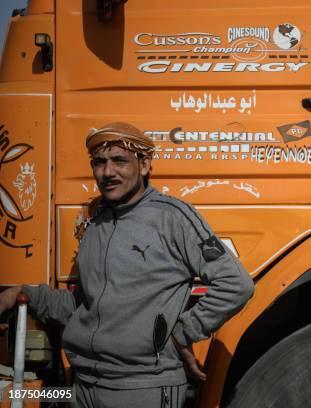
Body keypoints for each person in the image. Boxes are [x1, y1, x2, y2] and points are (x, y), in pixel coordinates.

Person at [0, 122, 254, 407]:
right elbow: (82, 305)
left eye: (119, 161)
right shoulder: (96, 223)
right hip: (85, 387)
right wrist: (22, 293)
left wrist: (183, 333)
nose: (108, 172)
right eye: (99, 162)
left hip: (143, 387)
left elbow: (236, 284)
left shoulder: (174, 217)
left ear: (144, 165)